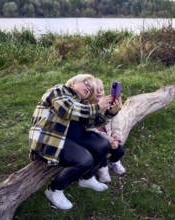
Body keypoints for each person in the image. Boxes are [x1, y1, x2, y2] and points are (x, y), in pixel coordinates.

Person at [29, 74, 122, 210]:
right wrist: (97, 107)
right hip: (49, 140)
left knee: (103, 144)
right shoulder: (58, 91)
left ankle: (87, 178)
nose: (89, 89)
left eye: (91, 89)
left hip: (68, 138)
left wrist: (111, 112)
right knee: (84, 160)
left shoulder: (82, 103)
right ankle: (54, 190)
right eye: (86, 83)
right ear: (72, 83)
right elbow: (67, 110)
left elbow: (92, 122)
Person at [88, 78, 126, 183]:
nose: (100, 92)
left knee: (120, 151)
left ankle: (113, 161)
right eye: (96, 89)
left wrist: (116, 139)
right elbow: (89, 128)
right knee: (101, 151)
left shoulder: (109, 106)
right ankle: (102, 169)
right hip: (95, 141)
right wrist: (107, 138)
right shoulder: (86, 109)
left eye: (102, 89)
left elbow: (116, 125)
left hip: (111, 138)